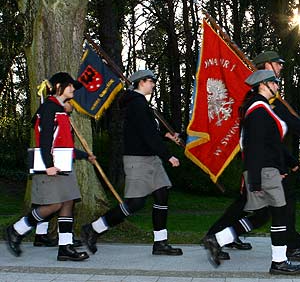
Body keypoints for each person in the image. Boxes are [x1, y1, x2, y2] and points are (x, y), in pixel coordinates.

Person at [203, 70, 300, 275]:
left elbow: (271, 145)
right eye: (274, 82)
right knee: (280, 214)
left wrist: (282, 166)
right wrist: (256, 179)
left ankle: (217, 239)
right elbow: (255, 147)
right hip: (264, 172)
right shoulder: (258, 111)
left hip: (265, 170)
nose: (277, 86)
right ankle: (279, 262)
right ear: (263, 85)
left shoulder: (260, 109)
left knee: (261, 216)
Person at [81, 69, 183, 256]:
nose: (153, 84)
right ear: (141, 82)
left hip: (149, 158)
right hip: (139, 159)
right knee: (135, 203)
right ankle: (93, 229)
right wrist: (168, 155)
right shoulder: (137, 103)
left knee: (162, 195)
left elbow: (147, 130)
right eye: (151, 81)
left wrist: (166, 135)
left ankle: (160, 243)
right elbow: (146, 134)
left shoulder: (140, 104)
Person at [4, 72, 95, 261]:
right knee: (54, 204)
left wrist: (85, 155)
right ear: (59, 86)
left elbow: (64, 145)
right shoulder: (49, 108)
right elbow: (45, 141)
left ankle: (65, 248)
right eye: (69, 85)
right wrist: (49, 165)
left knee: (68, 201)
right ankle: (16, 230)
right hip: (51, 167)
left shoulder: (60, 110)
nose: (72, 89)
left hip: (63, 165)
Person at [253, 50, 300, 261]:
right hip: (265, 164)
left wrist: (290, 158)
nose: (281, 67)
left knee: (274, 208)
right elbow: (279, 127)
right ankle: (290, 247)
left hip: (270, 162)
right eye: (278, 63)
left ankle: (291, 243)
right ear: (267, 65)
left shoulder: (268, 95)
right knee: (271, 209)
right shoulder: (261, 99)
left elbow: (285, 123)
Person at [32, 101, 83, 249]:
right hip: (53, 163)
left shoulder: (61, 117)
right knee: (56, 201)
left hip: (57, 162)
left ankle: (44, 235)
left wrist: (84, 155)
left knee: (52, 202)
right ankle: (21, 229)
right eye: (70, 103)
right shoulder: (54, 117)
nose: (72, 105)